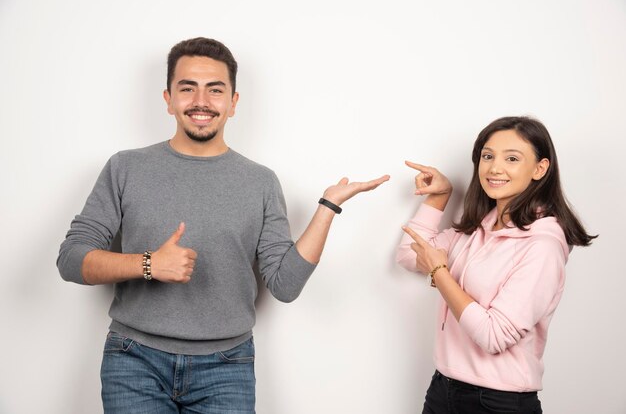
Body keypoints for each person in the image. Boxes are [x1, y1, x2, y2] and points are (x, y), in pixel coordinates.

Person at [57, 37, 389, 413]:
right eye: (187, 88)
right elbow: (71, 259)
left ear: (233, 102)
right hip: (134, 360)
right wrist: (148, 264)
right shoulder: (125, 167)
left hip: (226, 366)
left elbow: (285, 285)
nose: (201, 101)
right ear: (168, 98)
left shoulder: (261, 182)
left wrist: (328, 207)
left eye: (215, 90)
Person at [396, 116, 595, 414]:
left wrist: (440, 273)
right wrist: (440, 196)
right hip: (443, 389)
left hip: (498, 401)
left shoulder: (543, 245)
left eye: (512, 158)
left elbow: (494, 336)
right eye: (487, 156)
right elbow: (410, 256)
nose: (494, 168)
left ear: (540, 168)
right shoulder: (479, 228)